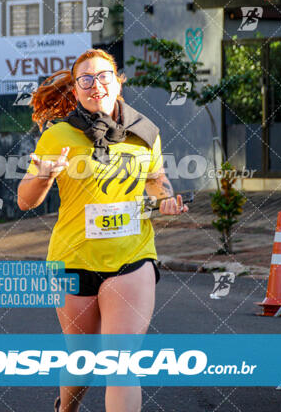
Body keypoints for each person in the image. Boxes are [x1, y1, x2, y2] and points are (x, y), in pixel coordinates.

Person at [18, 48, 188, 412]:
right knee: (82, 359)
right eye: (86, 80)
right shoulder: (58, 135)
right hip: (73, 259)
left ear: (118, 82)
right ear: (76, 91)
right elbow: (24, 200)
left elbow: (157, 182)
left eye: (104, 76)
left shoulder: (145, 132)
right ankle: (66, 408)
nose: (96, 85)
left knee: (121, 363)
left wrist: (167, 200)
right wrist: (46, 175)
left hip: (132, 257)